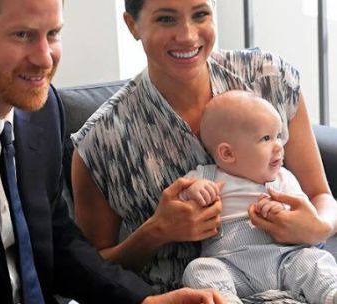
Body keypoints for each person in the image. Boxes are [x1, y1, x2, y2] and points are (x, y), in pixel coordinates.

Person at [0, 0, 226, 303]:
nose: (44, 59)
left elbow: (57, 240)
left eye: (52, 34)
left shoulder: (41, 110)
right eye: (22, 35)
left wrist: (145, 302)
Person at [71, 0, 337, 294]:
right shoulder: (101, 140)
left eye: (200, 14)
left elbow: (321, 195)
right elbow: (90, 273)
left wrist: (318, 227)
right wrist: (157, 231)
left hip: (295, 280)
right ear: (133, 25)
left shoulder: (269, 80)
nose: (187, 35)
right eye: (166, 19)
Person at [178, 90, 337, 304]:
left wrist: (282, 212)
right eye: (266, 138)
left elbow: (302, 213)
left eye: (278, 136)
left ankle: (331, 295)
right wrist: (193, 191)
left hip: (285, 260)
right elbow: (178, 197)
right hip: (231, 265)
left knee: (314, 261)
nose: (279, 145)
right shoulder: (207, 177)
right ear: (227, 154)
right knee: (199, 269)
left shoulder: (283, 178)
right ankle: (226, 300)